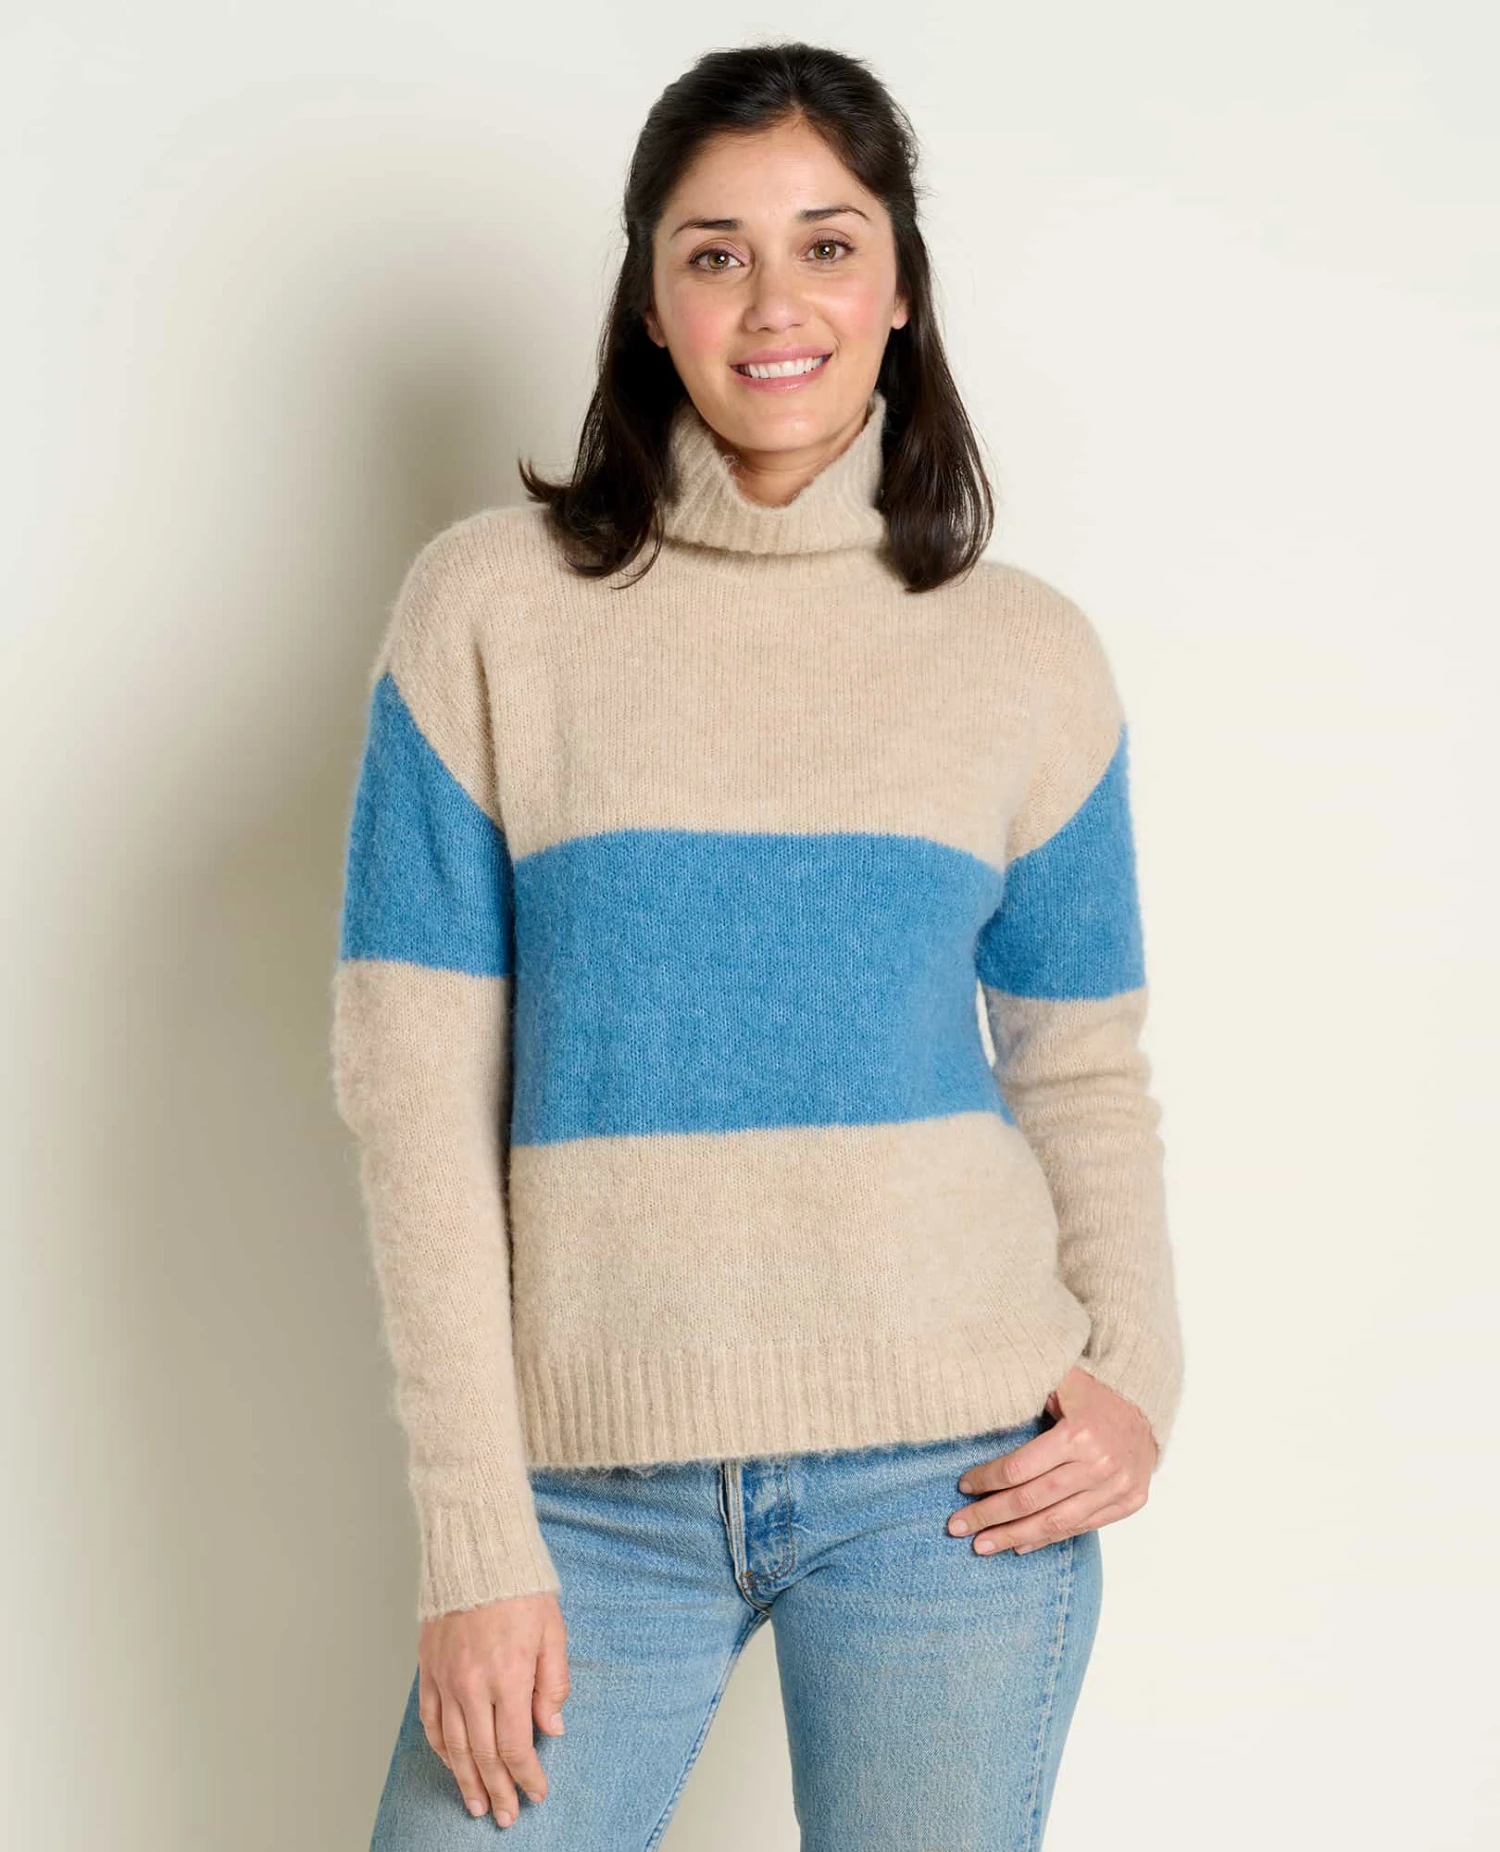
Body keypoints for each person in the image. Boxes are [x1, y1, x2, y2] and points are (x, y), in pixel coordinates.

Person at [331, 39, 1185, 1849]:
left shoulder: (1026, 654)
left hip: (955, 1485)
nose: (774, 301)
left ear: (899, 287)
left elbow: (1081, 1063)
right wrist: (477, 1536)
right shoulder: (490, 611)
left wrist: (1138, 1369)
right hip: (584, 1500)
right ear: (650, 304)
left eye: (828, 243)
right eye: (714, 252)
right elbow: (413, 1099)